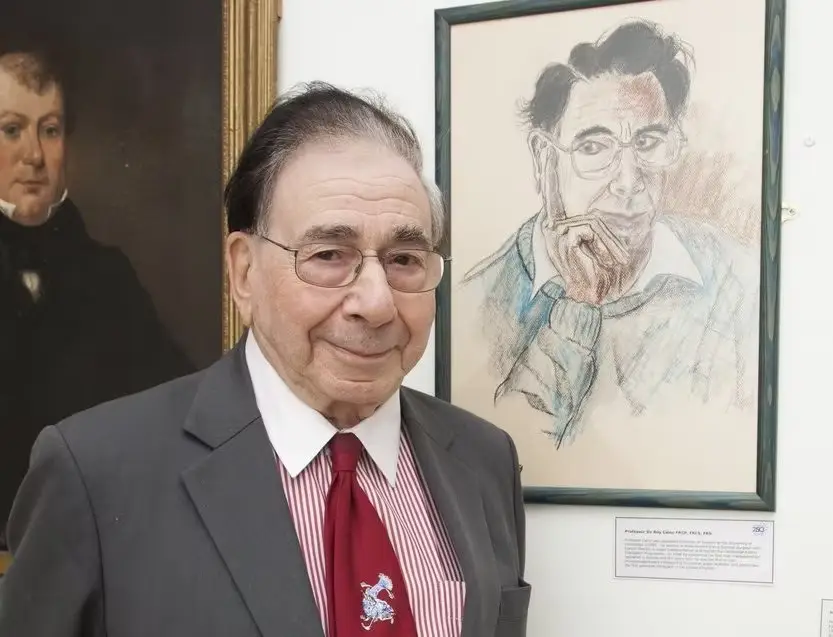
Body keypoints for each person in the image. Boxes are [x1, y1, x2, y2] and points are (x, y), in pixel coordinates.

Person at [0, 82, 530, 637]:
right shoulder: (94, 474)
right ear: (244, 272)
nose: (376, 303)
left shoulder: (483, 462)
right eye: (328, 255)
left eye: (404, 259)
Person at [459, 20, 759, 448]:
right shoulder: (475, 303)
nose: (628, 181)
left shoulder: (741, 282)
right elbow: (506, 462)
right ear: (546, 160)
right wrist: (577, 309)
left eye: (649, 142)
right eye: (593, 148)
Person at [0, 49, 195, 550]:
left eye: (50, 130)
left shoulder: (109, 276)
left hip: (91, 548)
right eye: (11, 129)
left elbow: (174, 405)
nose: (34, 156)